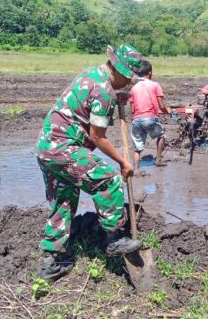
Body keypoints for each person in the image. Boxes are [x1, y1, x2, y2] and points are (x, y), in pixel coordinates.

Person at [35, 45, 144, 282]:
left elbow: (91, 102)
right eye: (127, 78)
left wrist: (117, 99)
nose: (127, 83)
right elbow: (97, 137)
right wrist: (123, 162)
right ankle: (115, 240)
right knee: (109, 179)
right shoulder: (105, 92)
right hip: (65, 148)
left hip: (46, 148)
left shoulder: (91, 75)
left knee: (63, 201)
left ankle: (52, 263)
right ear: (119, 70)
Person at [129, 60, 170, 169]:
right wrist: (167, 112)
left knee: (137, 147)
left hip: (136, 120)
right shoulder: (155, 85)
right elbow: (161, 106)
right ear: (150, 72)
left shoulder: (133, 88)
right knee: (161, 136)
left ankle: (136, 169)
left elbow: (132, 109)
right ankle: (158, 159)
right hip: (149, 119)